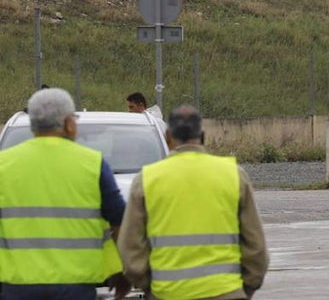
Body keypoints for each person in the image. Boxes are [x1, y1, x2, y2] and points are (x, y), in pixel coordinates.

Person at [118, 105, 269, 299]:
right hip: (225, 291)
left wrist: (148, 287)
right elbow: (256, 246)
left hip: (168, 293)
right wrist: (245, 288)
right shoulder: (234, 175)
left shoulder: (147, 179)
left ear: (167, 136)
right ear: (203, 135)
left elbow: (130, 246)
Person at [0, 87, 129, 300]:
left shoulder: (4, 164)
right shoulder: (93, 164)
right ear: (69, 123)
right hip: (75, 288)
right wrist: (125, 269)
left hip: (17, 287)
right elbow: (119, 221)